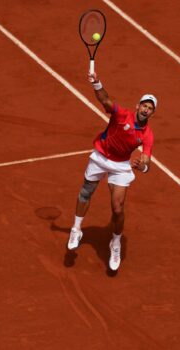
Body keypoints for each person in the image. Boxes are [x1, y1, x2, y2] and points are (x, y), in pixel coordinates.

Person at [67, 71, 157, 271]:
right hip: (100, 156)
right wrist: (97, 83)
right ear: (138, 106)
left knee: (118, 208)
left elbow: (147, 162)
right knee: (86, 192)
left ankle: (115, 242)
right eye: (144, 105)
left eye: (150, 108)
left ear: (152, 113)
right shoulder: (122, 115)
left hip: (120, 166)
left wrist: (142, 166)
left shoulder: (148, 135)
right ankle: (76, 229)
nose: (146, 109)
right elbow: (106, 101)